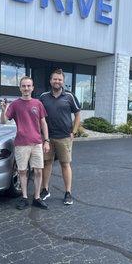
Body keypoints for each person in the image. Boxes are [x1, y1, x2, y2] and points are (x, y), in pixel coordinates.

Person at [1, 76, 50, 210]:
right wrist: (3, 109)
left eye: (29, 86)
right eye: (23, 86)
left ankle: (37, 198)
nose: (26, 88)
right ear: (20, 88)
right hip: (21, 144)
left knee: (38, 171)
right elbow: (3, 121)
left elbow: (43, 123)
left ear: (32, 88)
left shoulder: (38, 104)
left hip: (37, 143)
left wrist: (46, 140)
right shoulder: (15, 104)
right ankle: (24, 198)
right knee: (22, 172)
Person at [40, 68, 81, 205]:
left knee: (65, 164)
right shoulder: (43, 97)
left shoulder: (69, 96)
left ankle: (68, 192)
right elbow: (38, 116)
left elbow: (77, 114)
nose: (57, 81)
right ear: (50, 81)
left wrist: (74, 132)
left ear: (63, 82)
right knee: (47, 163)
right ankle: (45, 189)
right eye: (55, 79)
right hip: (47, 137)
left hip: (64, 137)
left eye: (60, 79)